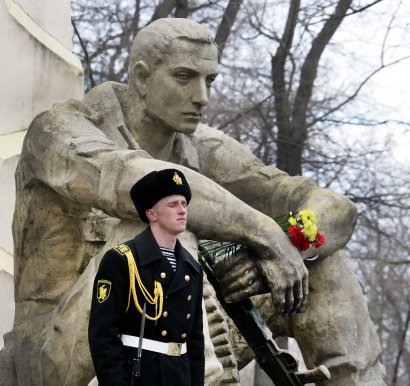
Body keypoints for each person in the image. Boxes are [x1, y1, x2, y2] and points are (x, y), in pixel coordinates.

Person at [2, 17, 385, 386]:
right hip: (55, 353)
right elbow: (145, 185)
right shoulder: (58, 131)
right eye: (184, 77)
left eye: (210, 80)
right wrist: (264, 234)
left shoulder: (203, 146)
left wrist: (285, 247)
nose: (201, 97)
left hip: (183, 335)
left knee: (319, 260)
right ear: (141, 77)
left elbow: (333, 207)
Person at [88, 168, 204, 386]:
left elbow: (195, 342)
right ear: (151, 214)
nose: (182, 210)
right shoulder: (122, 260)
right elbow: (103, 336)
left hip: (180, 375)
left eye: (184, 204)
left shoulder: (192, 268)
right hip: (141, 375)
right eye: (173, 204)